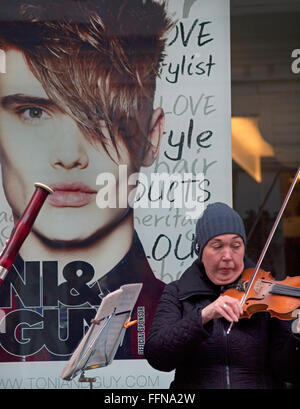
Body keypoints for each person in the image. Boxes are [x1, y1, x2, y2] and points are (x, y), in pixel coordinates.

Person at [0, 0, 172, 361]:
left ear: (152, 138)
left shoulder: (175, 322)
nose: (68, 155)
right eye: (33, 112)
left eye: (103, 118)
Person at [144, 202, 300, 389]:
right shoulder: (178, 293)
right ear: (200, 251)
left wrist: (296, 334)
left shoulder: (268, 297)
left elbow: (289, 372)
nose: (228, 255)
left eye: (236, 246)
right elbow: (157, 357)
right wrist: (203, 316)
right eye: (217, 246)